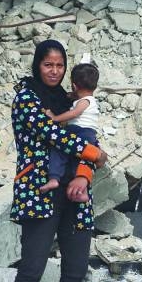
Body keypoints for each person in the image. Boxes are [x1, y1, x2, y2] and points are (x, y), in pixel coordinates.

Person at [8, 40, 108, 282]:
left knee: (75, 269)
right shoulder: (27, 99)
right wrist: (94, 153)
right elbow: (52, 134)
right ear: (37, 65)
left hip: (76, 191)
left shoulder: (71, 102)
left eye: (59, 65)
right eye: (48, 64)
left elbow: (90, 136)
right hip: (40, 190)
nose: (54, 71)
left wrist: (85, 175)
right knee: (31, 268)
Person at [41, 62, 100, 194]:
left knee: (58, 150)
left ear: (74, 85)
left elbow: (74, 113)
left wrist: (55, 118)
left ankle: (54, 178)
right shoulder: (88, 100)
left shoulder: (85, 101)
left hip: (79, 130)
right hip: (90, 134)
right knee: (80, 162)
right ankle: (82, 191)